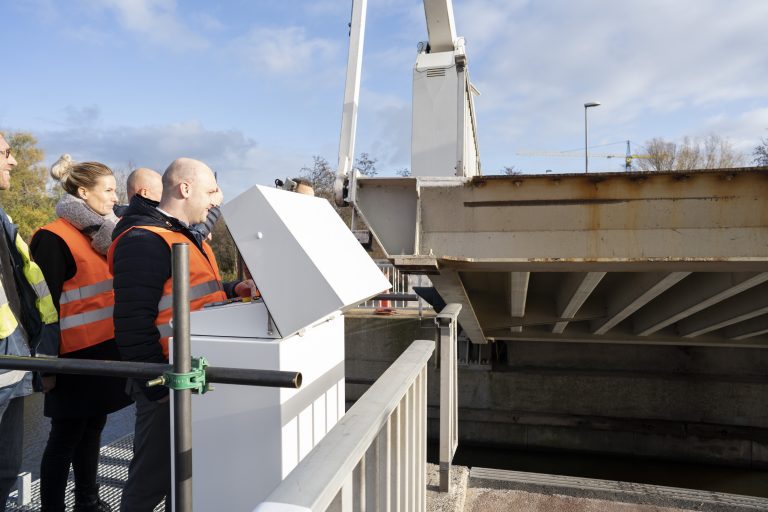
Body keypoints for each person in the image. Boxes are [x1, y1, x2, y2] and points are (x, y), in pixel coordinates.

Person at [109, 157, 257, 512]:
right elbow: (132, 321)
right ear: (185, 188)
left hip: (189, 376)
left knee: (184, 476)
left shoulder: (183, 236)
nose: (214, 201)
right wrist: (156, 385)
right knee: (150, 481)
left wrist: (233, 288)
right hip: (167, 380)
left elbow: (186, 291)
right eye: (210, 191)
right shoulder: (144, 239)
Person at [31, 155, 133, 512]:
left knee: (93, 429)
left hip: (104, 352)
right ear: (83, 192)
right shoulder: (52, 237)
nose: (113, 196)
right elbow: (43, 311)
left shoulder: (105, 234)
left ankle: (88, 502)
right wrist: (48, 367)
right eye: (107, 189)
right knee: (65, 438)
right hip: (71, 358)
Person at [0, 135, 59, 512]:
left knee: (7, 468)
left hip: (14, 362)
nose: (14, 162)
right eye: (5, 153)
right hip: (8, 360)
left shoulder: (3, 220)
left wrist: (40, 353)